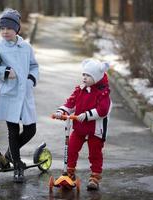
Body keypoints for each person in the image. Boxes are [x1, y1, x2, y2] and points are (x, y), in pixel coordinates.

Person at [0, 8, 39, 183]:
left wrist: (31, 79)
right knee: (13, 131)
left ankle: (8, 154)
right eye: (2, 28)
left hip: (25, 95)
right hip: (9, 95)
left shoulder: (26, 46)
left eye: (8, 28)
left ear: (17, 29)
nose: (5, 31)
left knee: (31, 129)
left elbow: (34, 66)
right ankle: (17, 165)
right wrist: (5, 72)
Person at [54, 59, 112, 190]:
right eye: (84, 75)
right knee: (72, 148)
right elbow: (71, 103)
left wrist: (86, 115)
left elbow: (103, 110)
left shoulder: (103, 92)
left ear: (96, 77)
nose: (85, 78)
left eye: (88, 76)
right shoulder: (80, 89)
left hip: (95, 130)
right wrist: (61, 111)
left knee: (95, 152)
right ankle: (69, 172)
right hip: (79, 128)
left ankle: (95, 176)